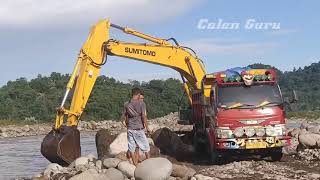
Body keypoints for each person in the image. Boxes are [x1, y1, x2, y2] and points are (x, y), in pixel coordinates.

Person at [124, 88, 150, 165]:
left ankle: (135, 165)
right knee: (146, 147)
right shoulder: (142, 104)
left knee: (132, 147)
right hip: (138, 129)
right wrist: (147, 127)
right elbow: (144, 116)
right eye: (140, 96)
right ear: (138, 94)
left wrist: (127, 126)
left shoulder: (126, 104)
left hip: (130, 129)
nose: (141, 98)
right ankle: (150, 164)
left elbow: (125, 117)